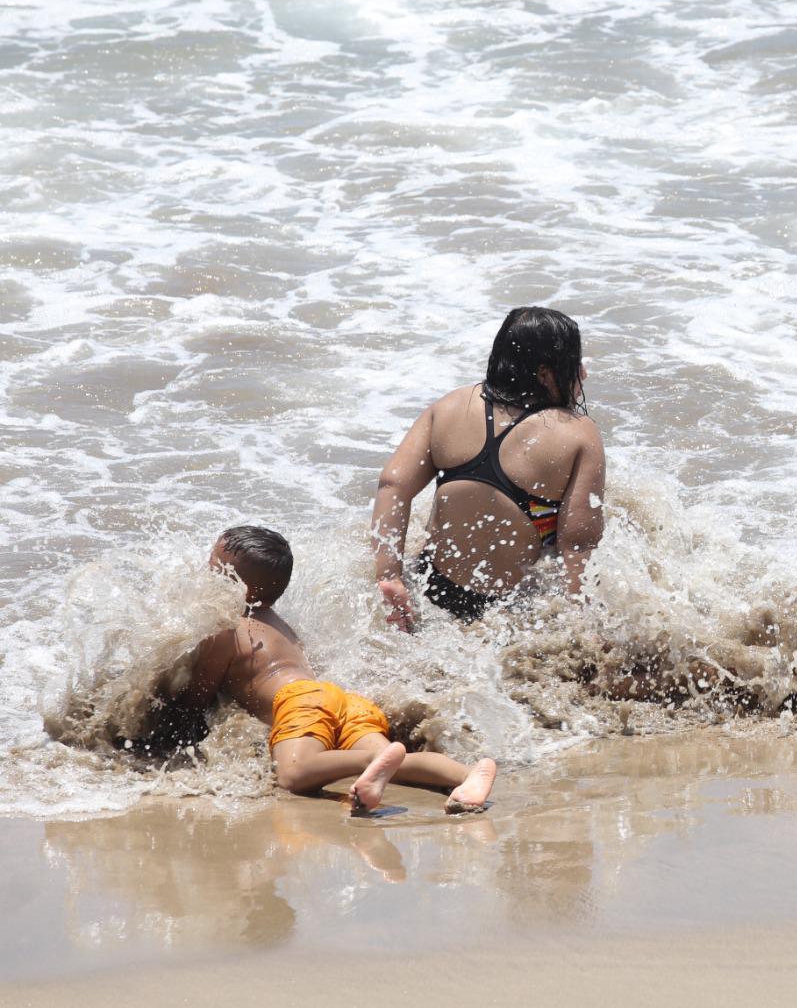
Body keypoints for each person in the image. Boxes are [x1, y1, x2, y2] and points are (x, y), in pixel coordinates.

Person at [174, 526, 498, 813]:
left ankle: (373, 762)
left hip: (301, 703)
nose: (204, 572)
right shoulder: (279, 624)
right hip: (342, 701)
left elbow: (196, 697)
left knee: (294, 773)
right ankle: (468, 775)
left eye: (212, 566)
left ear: (232, 583)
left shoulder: (227, 628)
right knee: (398, 763)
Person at [371, 306, 605, 628]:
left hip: (433, 587)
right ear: (545, 374)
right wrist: (585, 623)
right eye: (574, 363)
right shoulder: (577, 433)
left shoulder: (450, 406)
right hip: (512, 611)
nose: (583, 373)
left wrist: (390, 575)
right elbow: (579, 543)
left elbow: (393, 485)